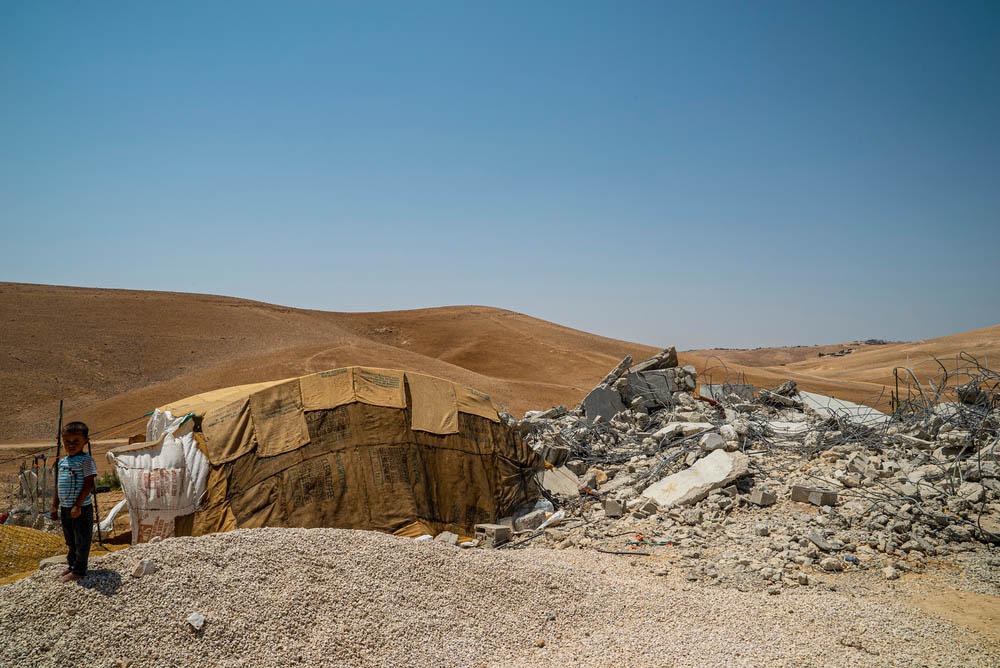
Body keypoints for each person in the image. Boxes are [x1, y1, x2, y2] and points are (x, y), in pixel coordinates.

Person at [49, 421, 97, 582]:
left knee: (81, 539)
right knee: (70, 539)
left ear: (85, 441)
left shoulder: (86, 461)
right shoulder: (62, 462)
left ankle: (80, 570)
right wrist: (55, 505)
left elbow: (89, 483)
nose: (71, 445)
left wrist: (77, 505)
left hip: (81, 508)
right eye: (67, 442)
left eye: (76, 441)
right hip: (66, 508)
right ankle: (72, 565)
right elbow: (59, 485)